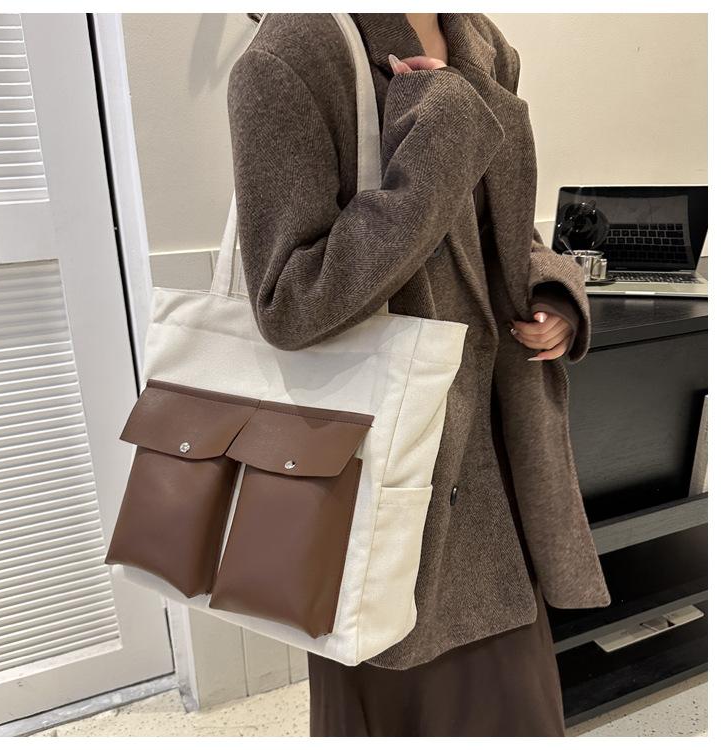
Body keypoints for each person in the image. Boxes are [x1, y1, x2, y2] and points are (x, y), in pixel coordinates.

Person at [226, 12, 611, 737]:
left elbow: (498, 223)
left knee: (517, 708)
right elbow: (290, 302)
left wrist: (552, 287)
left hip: (498, 449)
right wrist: (440, 138)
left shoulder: (480, 41)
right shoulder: (292, 53)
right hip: (386, 468)